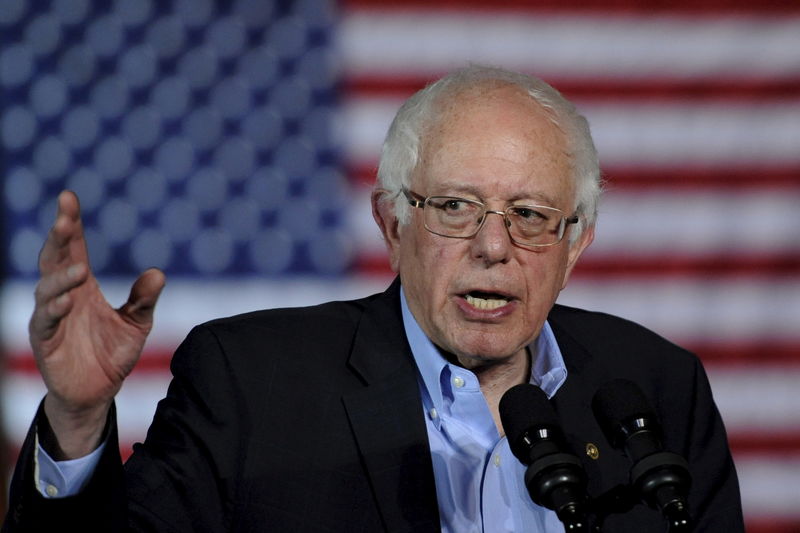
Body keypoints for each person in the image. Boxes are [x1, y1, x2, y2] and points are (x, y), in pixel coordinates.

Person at [3, 66, 743, 532]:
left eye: (530, 215)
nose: (494, 246)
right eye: (454, 207)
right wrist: (77, 416)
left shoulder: (656, 385)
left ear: (575, 241)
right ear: (392, 222)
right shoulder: (253, 380)